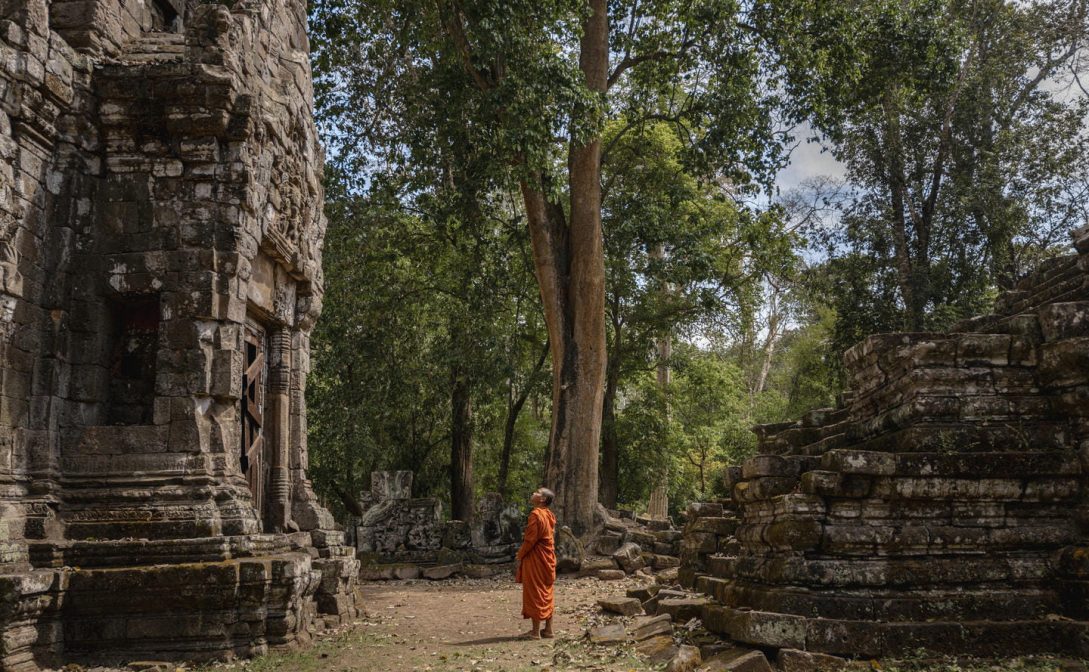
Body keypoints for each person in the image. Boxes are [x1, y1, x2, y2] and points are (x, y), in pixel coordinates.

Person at [515, 487, 556, 639]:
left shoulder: (536, 515)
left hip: (536, 558)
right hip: (548, 558)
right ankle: (549, 630)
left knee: (535, 592)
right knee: (546, 591)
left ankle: (535, 632)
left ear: (542, 499)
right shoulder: (550, 515)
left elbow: (530, 540)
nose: (533, 493)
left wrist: (520, 555)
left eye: (537, 492)